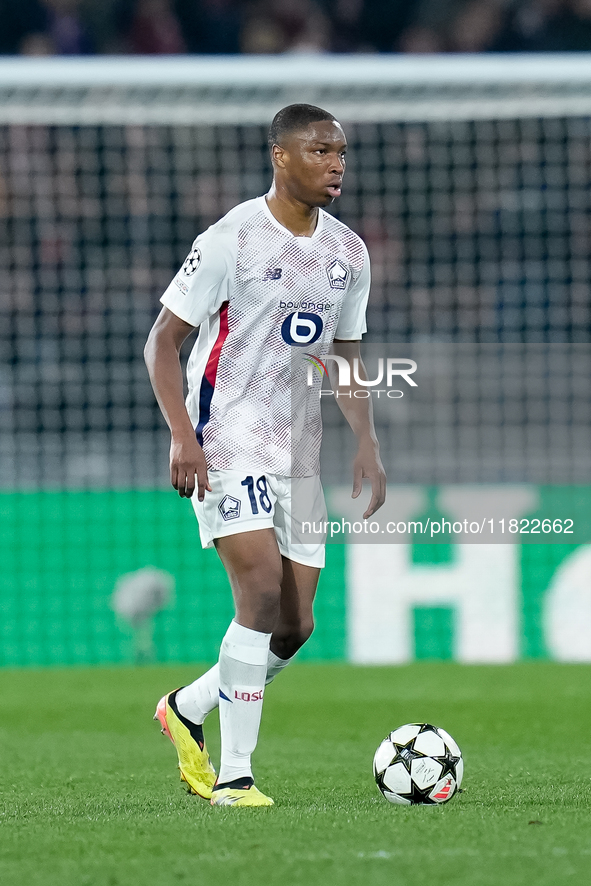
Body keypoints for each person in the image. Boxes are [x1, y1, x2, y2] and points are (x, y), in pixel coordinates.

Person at [144, 103, 386, 808]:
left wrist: (366, 440)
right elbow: (163, 340)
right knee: (256, 594)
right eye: (319, 151)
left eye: (340, 152)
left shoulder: (348, 253)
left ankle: (186, 706)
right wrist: (182, 435)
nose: (335, 164)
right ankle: (235, 776)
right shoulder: (231, 239)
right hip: (225, 441)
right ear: (280, 156)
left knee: (295, 622)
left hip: (298, 454)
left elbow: (344, 352)